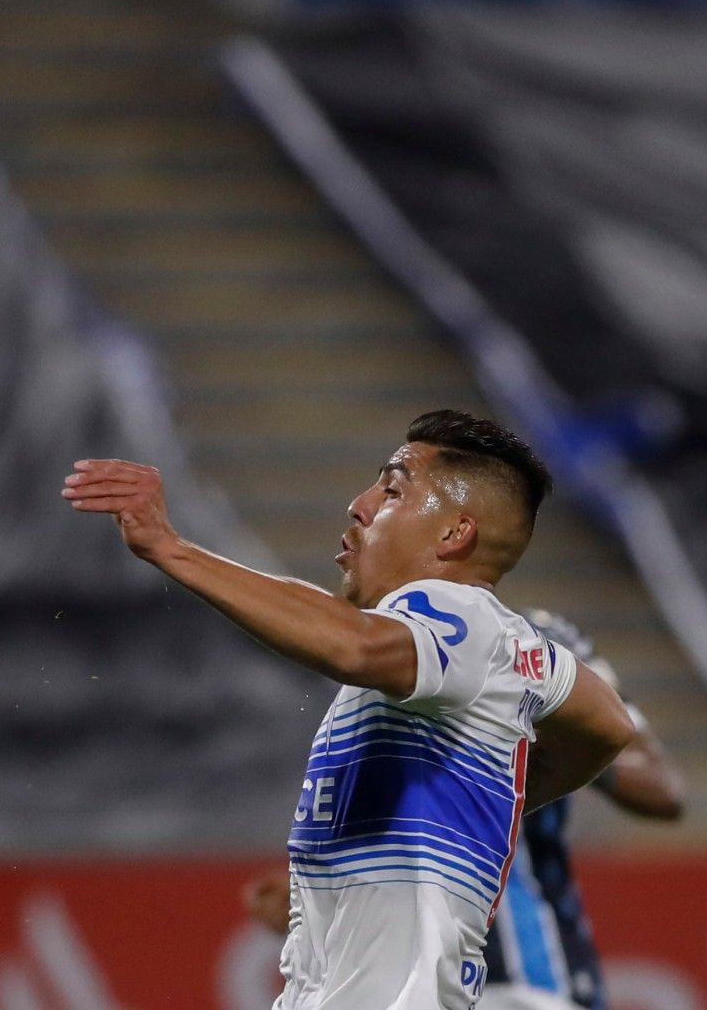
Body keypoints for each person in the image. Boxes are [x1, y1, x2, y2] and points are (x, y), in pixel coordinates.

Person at [63, 410, 638, 1010]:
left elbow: (354, 644)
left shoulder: (455, 612)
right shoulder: (498, 647)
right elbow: (607, 723)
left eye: (392, 490)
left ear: (454, 536)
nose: (359, 506)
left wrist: (171, 548)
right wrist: (504, 796)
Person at [240, 608, 687, 1009]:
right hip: (418, 981)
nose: (356, 522)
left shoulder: (536, 645)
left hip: (530, 978)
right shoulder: (361, 672)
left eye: (381, 512)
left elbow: (660, 786)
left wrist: (556, 734)